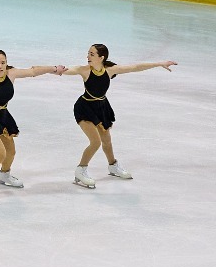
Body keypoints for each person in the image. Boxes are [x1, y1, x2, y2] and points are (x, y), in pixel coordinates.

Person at [55, 43, 177, 186]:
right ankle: (80, 171)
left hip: (101, 107)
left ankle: (113, 166)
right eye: (88, 53)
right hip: (85, 107)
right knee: (95, 142)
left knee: (107, 141)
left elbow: (135, 67)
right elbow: (67, 70)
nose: (87, 56)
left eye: (91, 54)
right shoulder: (85, 70)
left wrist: (159, 63)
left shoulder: (110, 70)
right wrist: (55, 69)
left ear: (101, 57)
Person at [0, 49, 67, 204]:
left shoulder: (11, 74)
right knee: (0, 154)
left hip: (2, 116)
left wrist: (54, 69)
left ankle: (4, 175)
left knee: (11, 152)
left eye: (2, 63)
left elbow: (33, 71)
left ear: (6, 63)